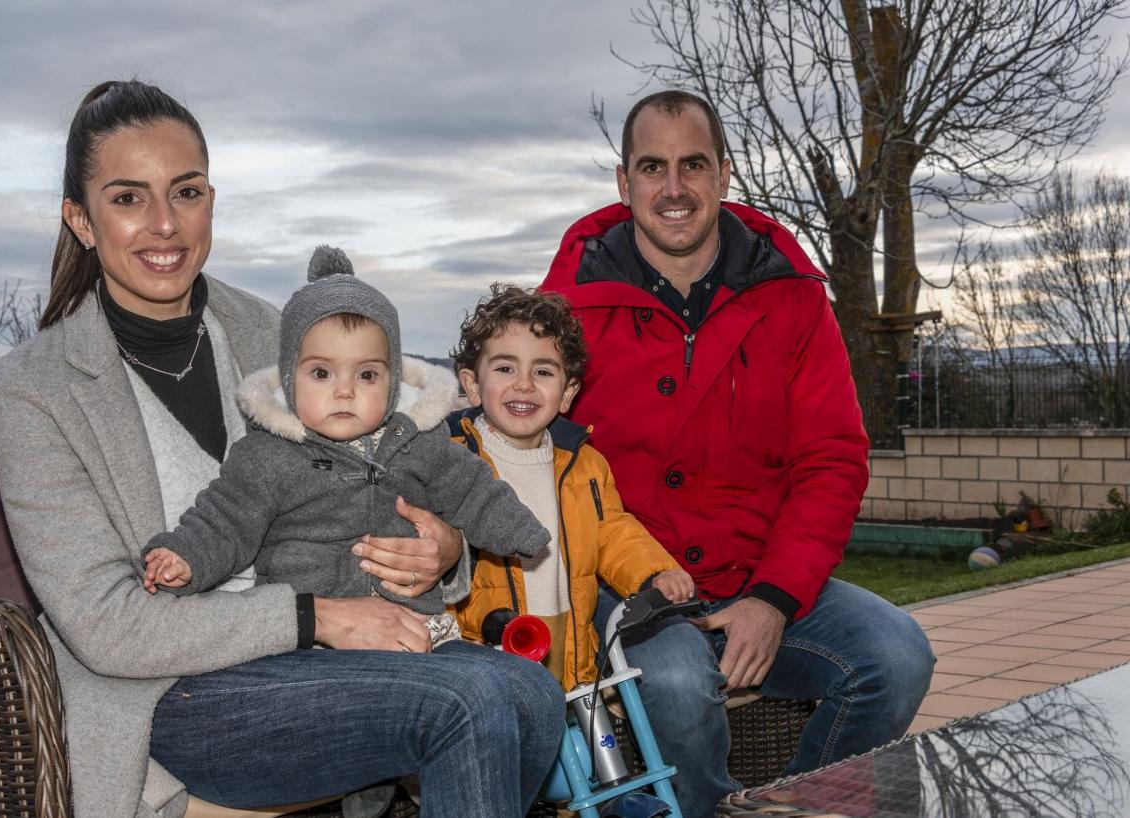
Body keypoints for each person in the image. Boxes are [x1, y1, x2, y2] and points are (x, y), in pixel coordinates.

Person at [0, 79, 563, 818]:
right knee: (471, 695)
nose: (164, 224)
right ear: (82, 220)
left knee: (534, 695)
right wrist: (314, 617)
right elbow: (106, 625)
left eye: (185, 192)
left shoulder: (284, 335)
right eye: (129, 198)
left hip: (328, 660)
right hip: (170, 692)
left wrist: (443, 552)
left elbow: (394, 468)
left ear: (211, 201)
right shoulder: (35, 388)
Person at [539, 90, 935, 814]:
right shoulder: (570, 305)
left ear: (724, 174)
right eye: (652, 167)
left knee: (898, 655)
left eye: (693, 165)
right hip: (633, 589)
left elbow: (832, 456)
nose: (674, 188)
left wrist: (776, 598)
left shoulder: (790, 296)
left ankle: (799, 805)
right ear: (624, 184)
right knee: (677, 687)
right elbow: (522, 437)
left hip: (758, 570)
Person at [142, 255, 550, 652]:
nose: (344, 391)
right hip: (315, 645)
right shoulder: (268, 454)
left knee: (520, 688)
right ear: (289, 378)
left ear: (392, 384)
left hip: (417, 630)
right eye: (321, 373)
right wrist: (186, 557)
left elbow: (473, 489)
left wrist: (519, 531)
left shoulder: (417, 442)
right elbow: (225, 521)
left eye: (367, 375)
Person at [447, 284, 693, 689]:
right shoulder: (453, 463)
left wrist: (655, 573)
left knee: (580, 744)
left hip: (571, 649)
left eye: (543, 371)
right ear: (473, 385)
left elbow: (613, 531)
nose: (524, 385)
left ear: (568, 393)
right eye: (505, 369)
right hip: (485, 660)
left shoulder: (586, 465)